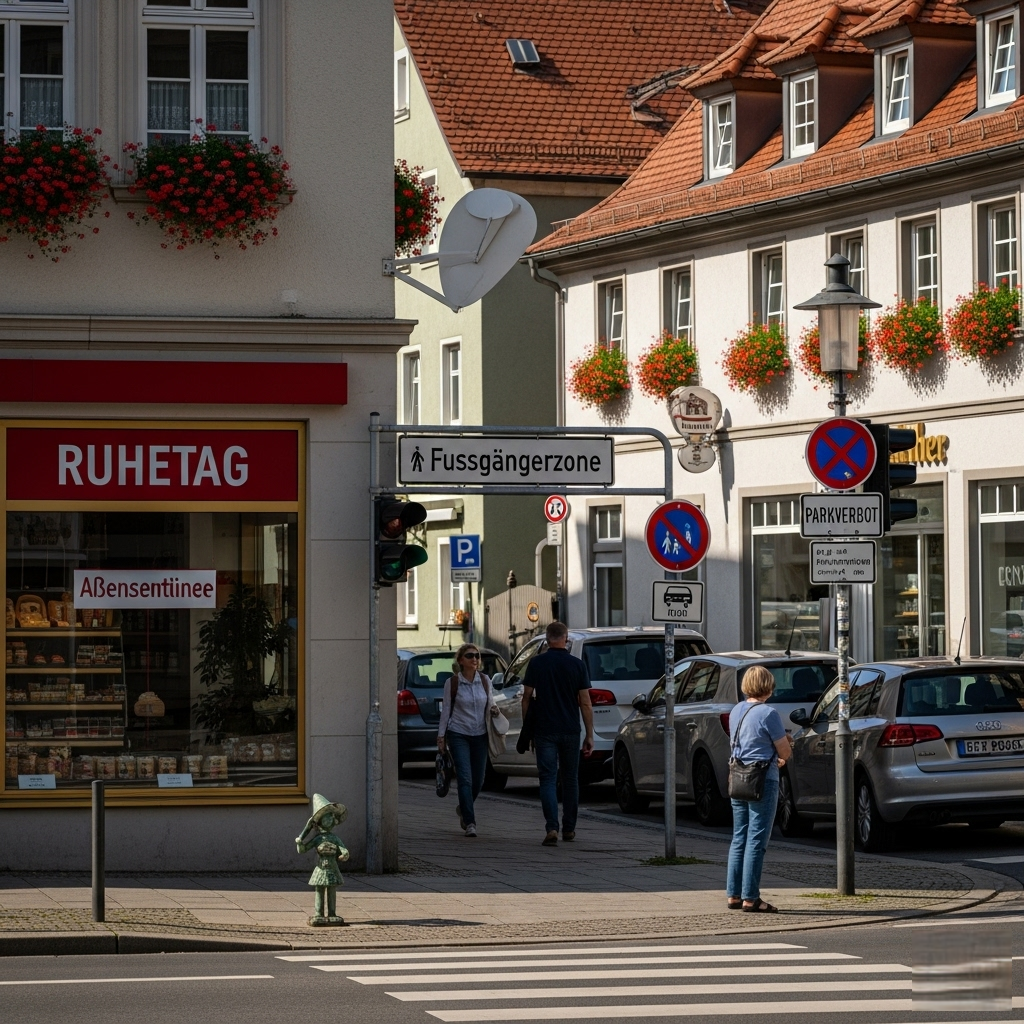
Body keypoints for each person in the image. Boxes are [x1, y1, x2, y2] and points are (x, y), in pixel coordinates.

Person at [726, 664, 792, 912]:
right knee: (757, 840)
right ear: (768, 687)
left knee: (739, 837)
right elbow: (784, 751)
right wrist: (785, 749)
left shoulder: (736, 711)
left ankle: (733, 894)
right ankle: (751, 898)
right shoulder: (768, 713)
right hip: (762, 780)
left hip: (738, 777)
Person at [521, 621, 594, 846]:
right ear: (566, 638)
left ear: (547, 638)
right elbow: (585, 703)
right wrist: (589, 734)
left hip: (544, 729)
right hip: (570, 729)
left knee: (547, 778)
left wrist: (528, 729)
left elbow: (526, 697)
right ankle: (569, 828)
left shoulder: (537, 663)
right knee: (571, 779)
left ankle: (552, 827)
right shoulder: (577, 665)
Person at [437, 642, 500, 838]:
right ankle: (470, 822)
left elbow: (490, 702)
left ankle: (464, 807)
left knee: (479, 779)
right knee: (465, 777)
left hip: (480, 734)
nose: (475, 659)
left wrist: (495, 709)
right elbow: (446, 710)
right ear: (461, 660)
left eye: (477, 656)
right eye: (471, 656)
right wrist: (441, 736)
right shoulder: (452, 683)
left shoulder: (485, 680)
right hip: (458, 733)